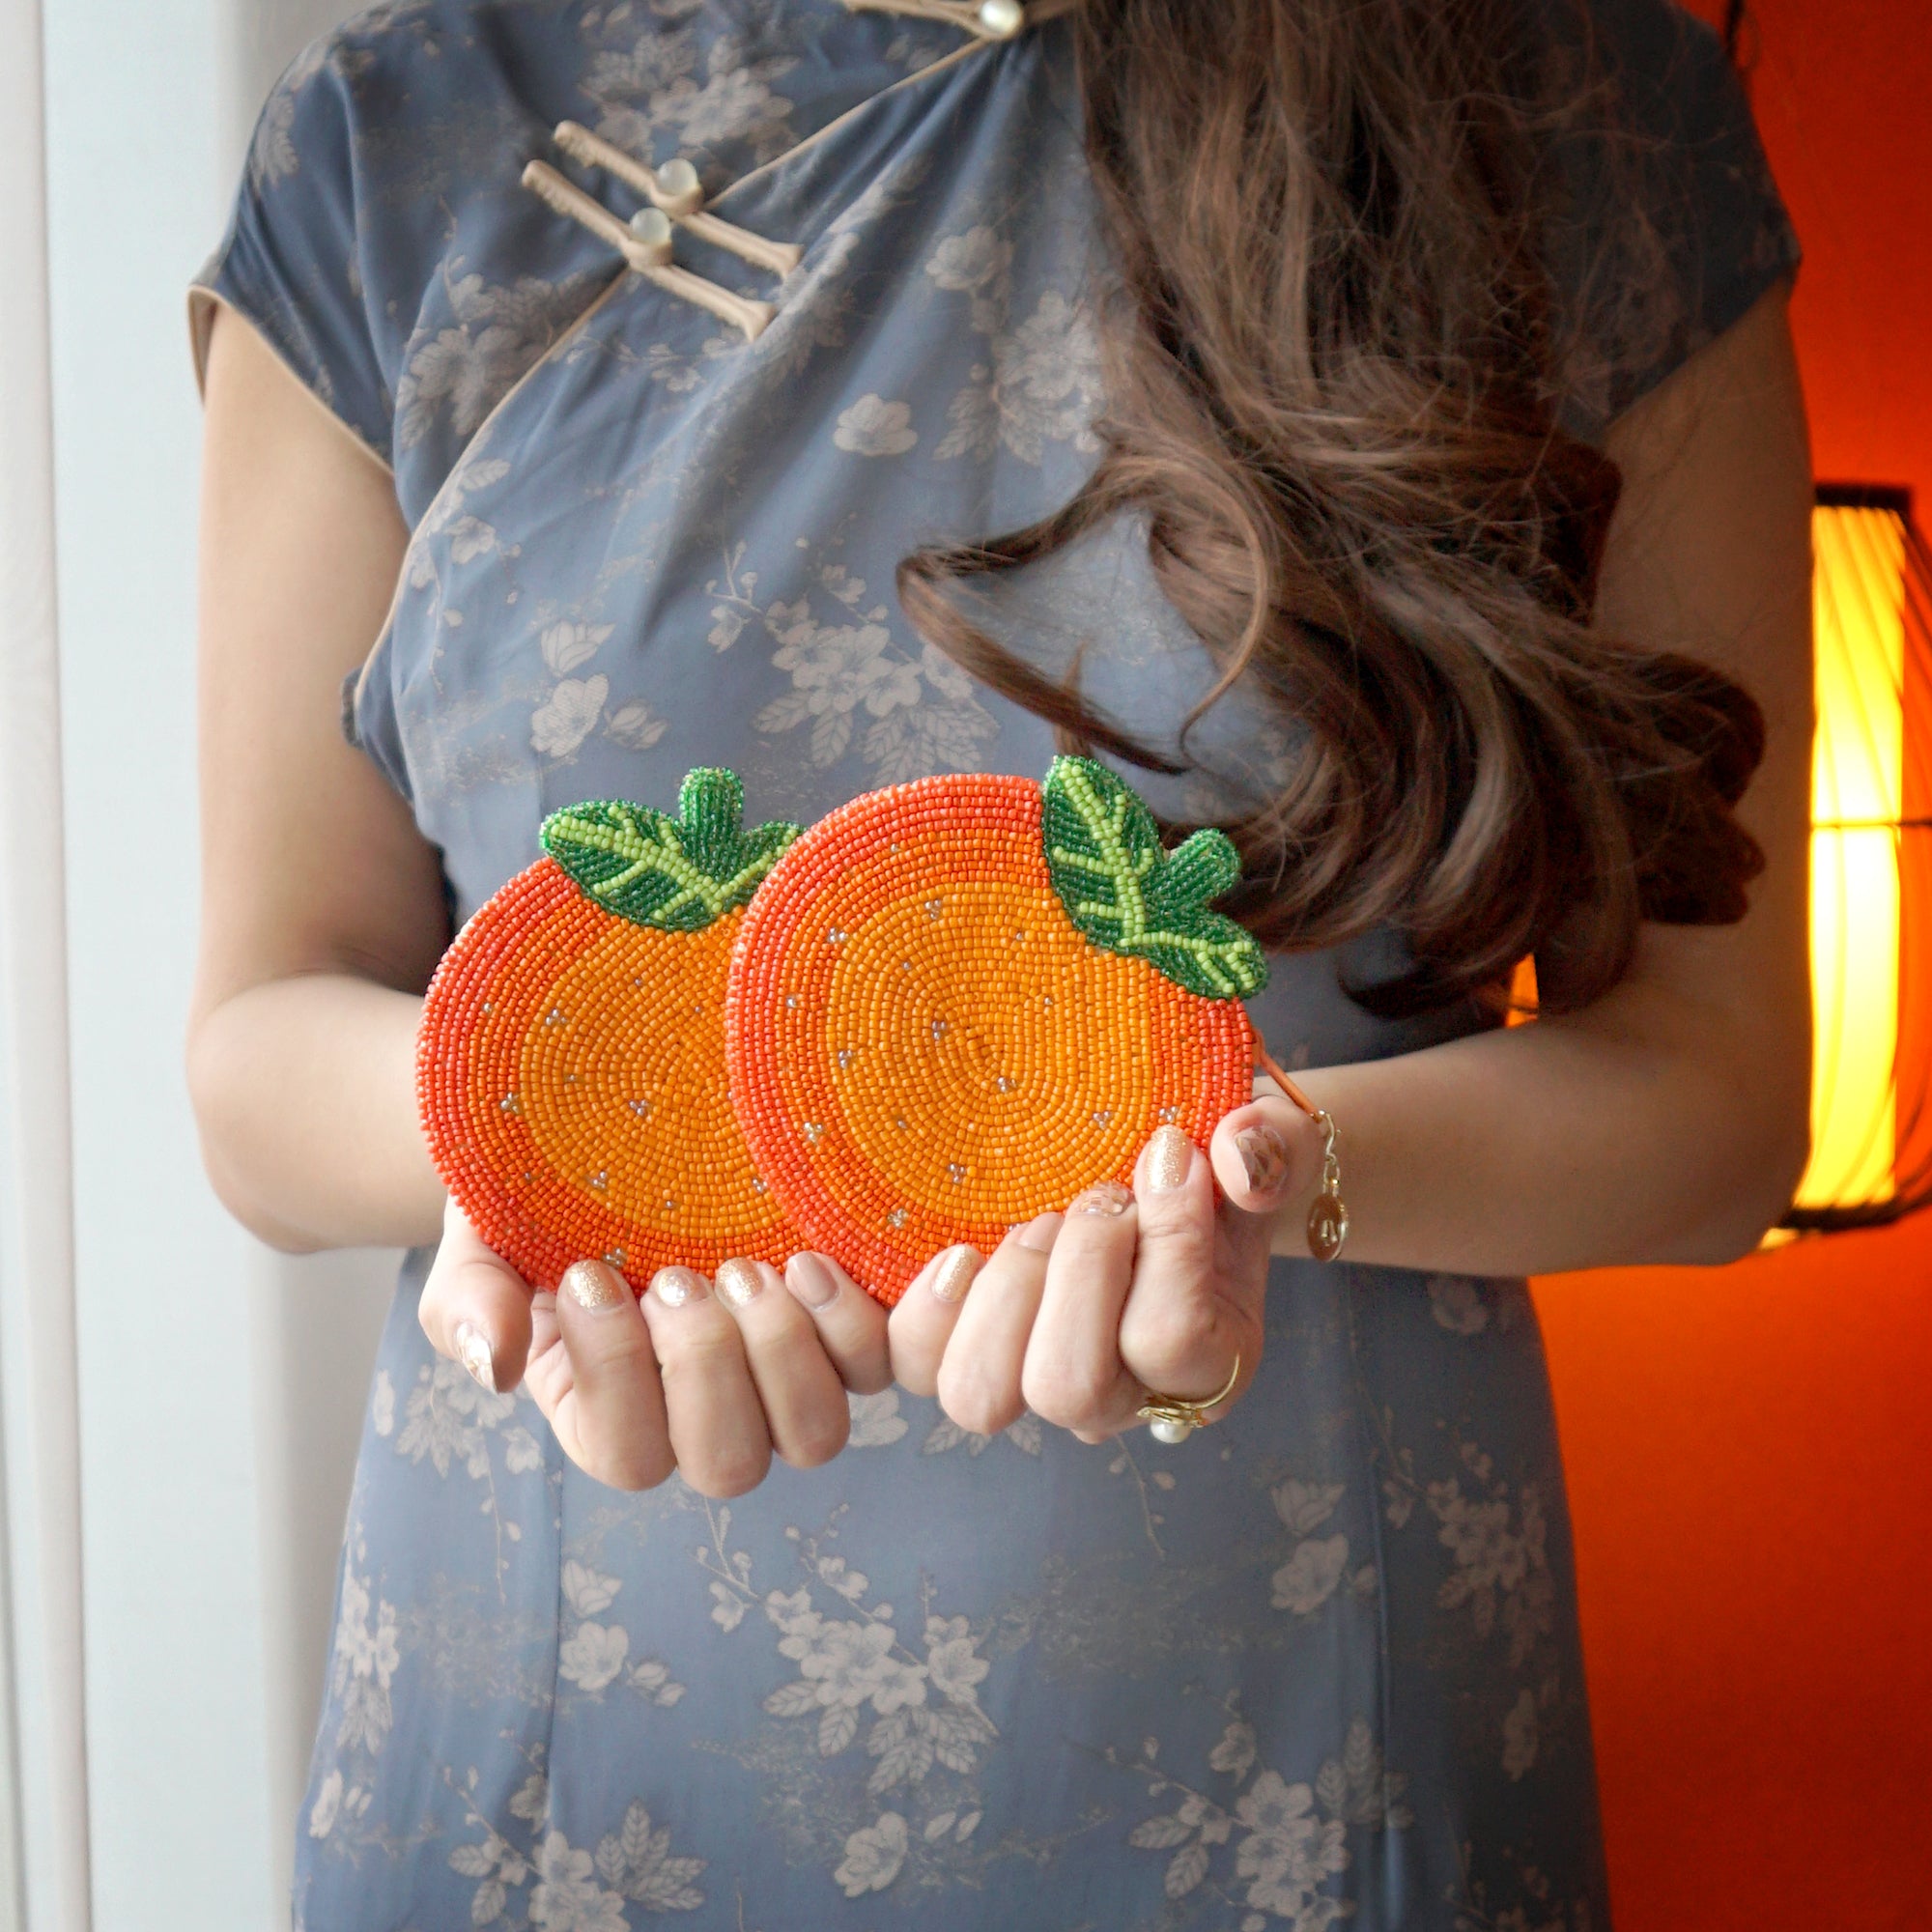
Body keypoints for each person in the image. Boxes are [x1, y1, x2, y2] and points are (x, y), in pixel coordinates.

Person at [186, 0, 1810, 1923]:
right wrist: (582, 1151)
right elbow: (260, 1046)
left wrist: (1243, 1170)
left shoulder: (1561, 96)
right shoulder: (409, 129)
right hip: (575, 1725)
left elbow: (1714, 1093)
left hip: (1300, 1721)